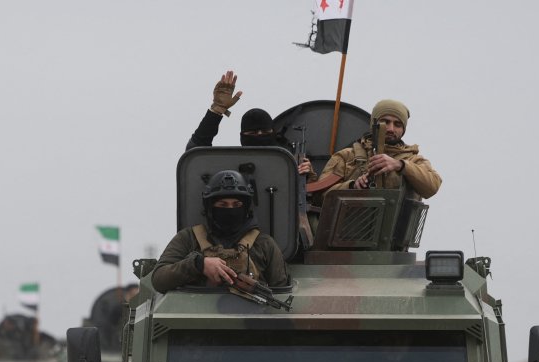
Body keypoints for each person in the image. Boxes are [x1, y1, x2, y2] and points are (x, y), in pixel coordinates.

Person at [151, 170, 288, 293]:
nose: (230, 210)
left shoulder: (264, 244)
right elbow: (159, 279)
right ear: (210, 208)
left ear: (246, 209)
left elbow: (282, 291)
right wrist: (198, 265)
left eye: (237, 205)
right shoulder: (189, 238)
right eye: (222, 205)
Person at [186, 70, 313, 176]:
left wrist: (309, 176)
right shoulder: (231, 171)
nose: (259, 135)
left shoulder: (289, 164)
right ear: (242, 136)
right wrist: (217, 110)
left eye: (264, 132)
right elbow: (194, 153)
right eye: (252, 132)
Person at [316, 99, 442, 199]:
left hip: (395, 229)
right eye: (385, 122)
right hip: (350, 228)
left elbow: (432, 186)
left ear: (403, 129)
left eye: (397, 124)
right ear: (374, 124)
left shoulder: (413, 160)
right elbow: (320, 195)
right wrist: (352, 186)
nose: (391, 129)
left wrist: (401, 165)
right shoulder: (347, 157)